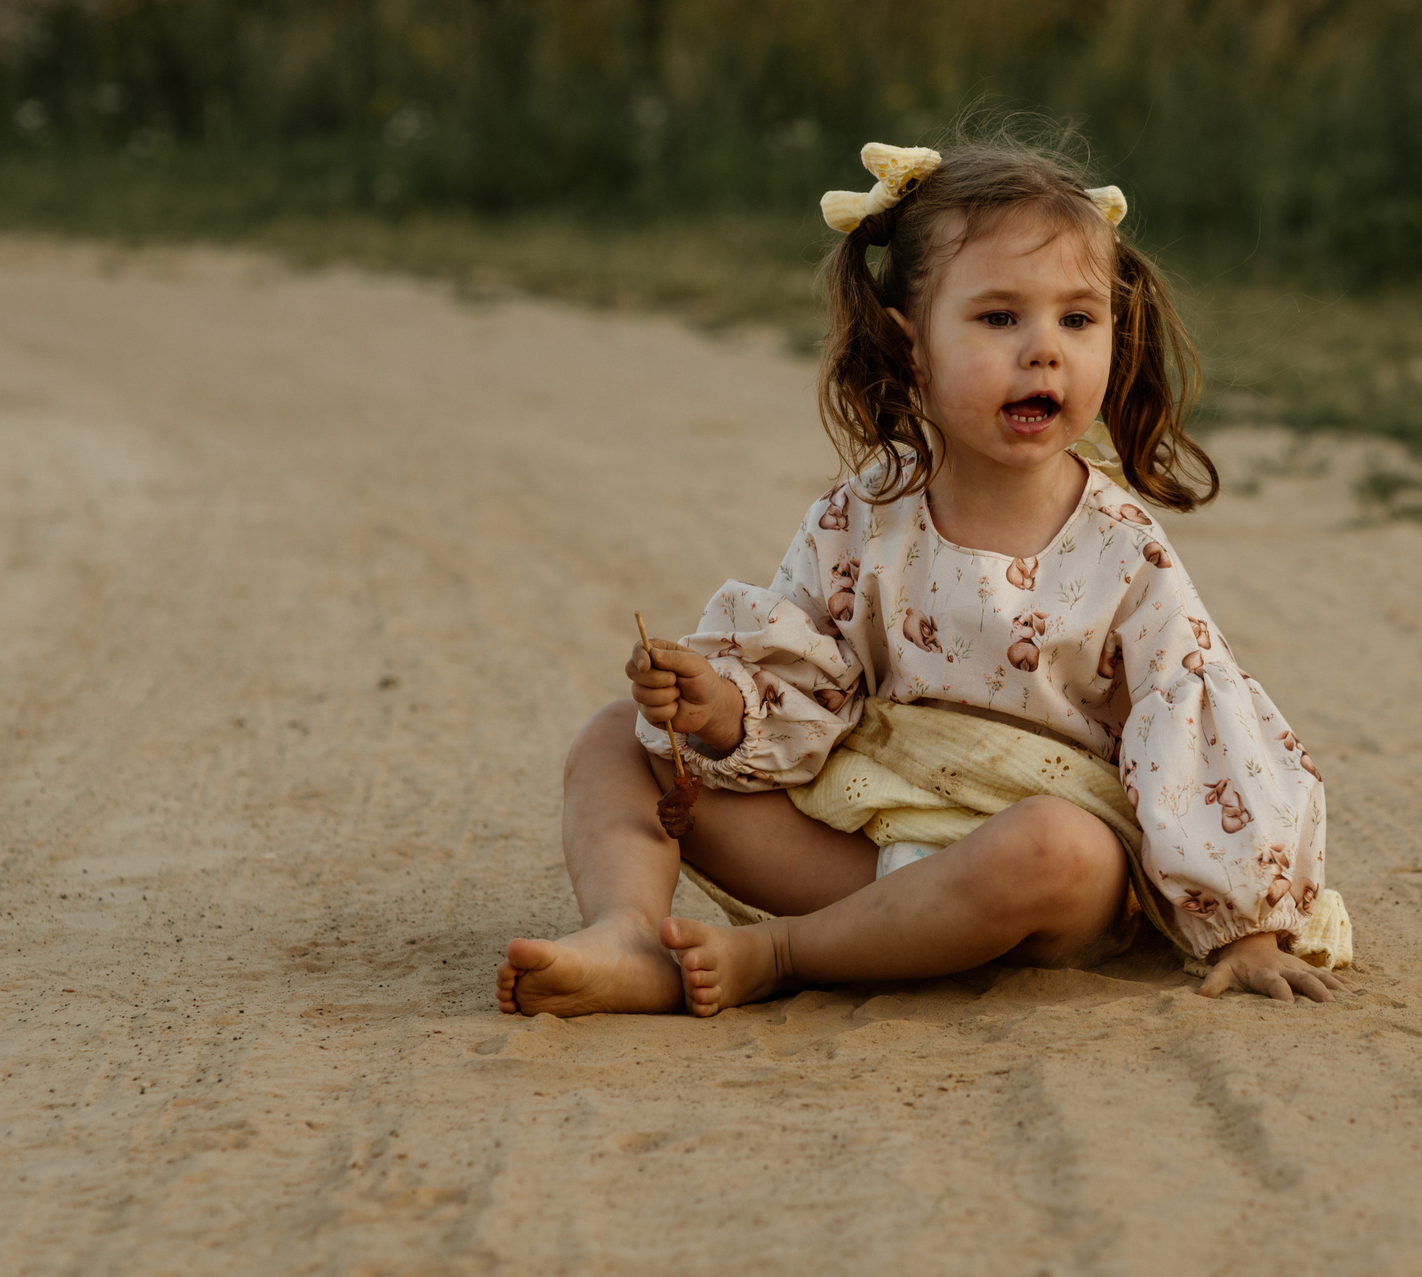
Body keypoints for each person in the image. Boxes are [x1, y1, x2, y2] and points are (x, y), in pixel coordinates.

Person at [496, 139, 1346, 1018]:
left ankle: (783, 954)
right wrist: (719, 707)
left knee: (1063, 848)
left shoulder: (1123, 547)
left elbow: (1192, 721)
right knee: (614, 737)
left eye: (1077, 320)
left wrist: (1246, 929)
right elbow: (806, 671)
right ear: (910, 348)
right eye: (999, 318)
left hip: (1029, 884)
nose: (1044, 351)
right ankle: (630, 933)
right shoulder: (865, 513)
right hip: (867, 853)